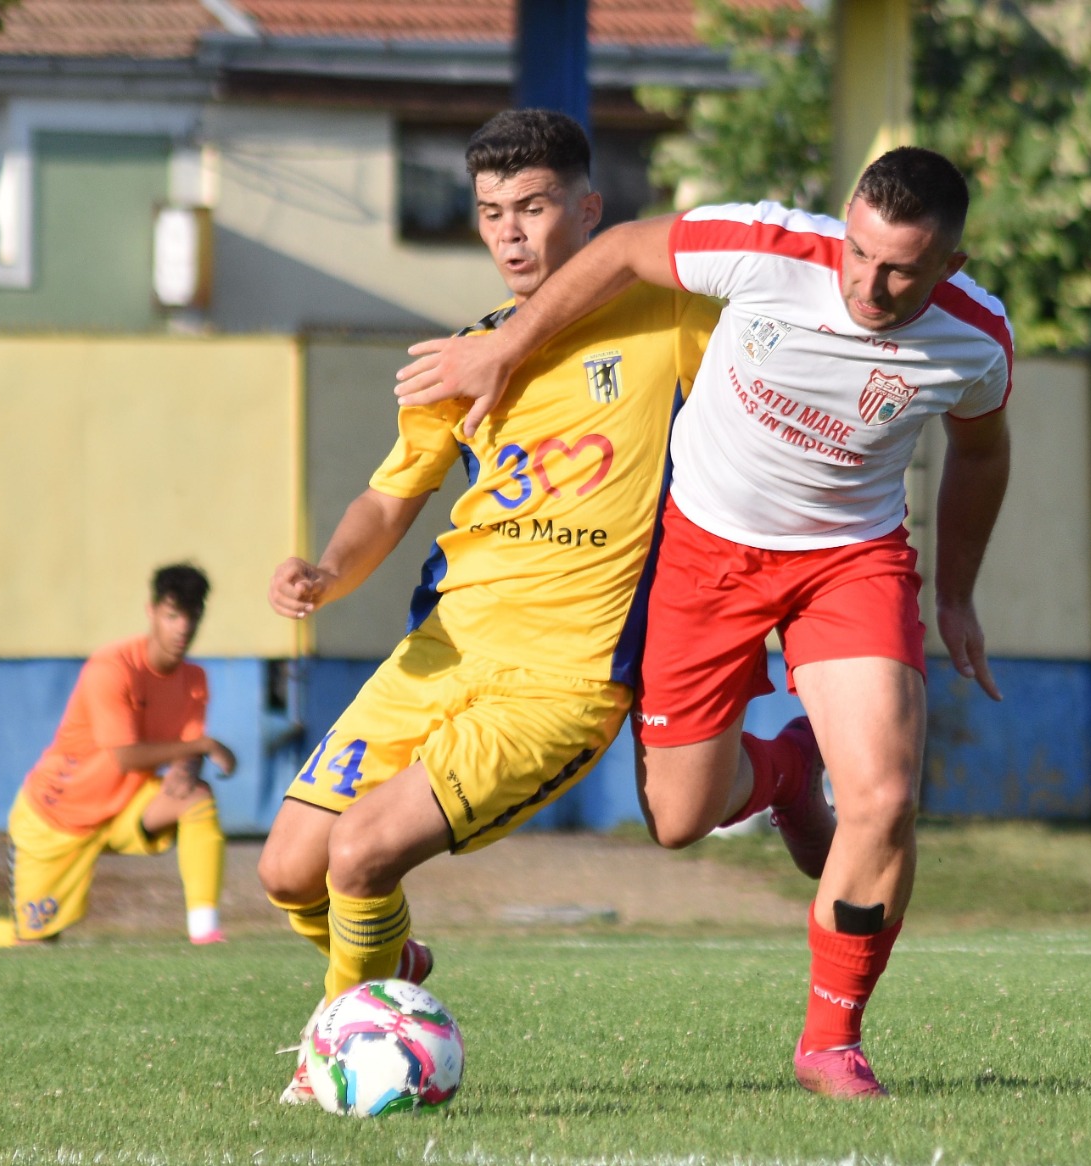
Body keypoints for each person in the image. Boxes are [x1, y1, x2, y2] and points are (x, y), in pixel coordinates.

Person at [395, 146, 1012, 1098]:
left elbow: (980, 452)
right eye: (858, 253)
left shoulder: (976, 339)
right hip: (706, 549)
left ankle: (831, 1042)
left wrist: (958, 594)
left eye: (901, 270)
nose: (868, 285)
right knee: (680, 821)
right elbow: (619, 252)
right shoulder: (766, 248)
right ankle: (786, 771)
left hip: (850, 559)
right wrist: (503, 347)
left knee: (885, 800)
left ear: (950, 266)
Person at [258, 108, 721, 1103]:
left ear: (589, 210)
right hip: (444, 650)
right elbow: (391, 498)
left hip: (560, 680)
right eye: (490, 211)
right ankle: (391, 962)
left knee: (361, 849)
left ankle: (331, 1057)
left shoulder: (668, 319)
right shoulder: (462, 358)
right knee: (289, 870)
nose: (510, 232)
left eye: (534, 206)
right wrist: (327, 569)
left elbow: (741, 286)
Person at [0, 563, 236, 949]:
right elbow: (126, 756)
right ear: (151, 611)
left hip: (123, 809)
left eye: (192, 616)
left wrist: (187, 768)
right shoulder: (113, 668)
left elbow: (187, 747)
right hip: (56, 818)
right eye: (173, 615)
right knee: (35, 945)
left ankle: (204, 931)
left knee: (196, 797)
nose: (183, 628)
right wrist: (202, 747)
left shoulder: (194, 680)